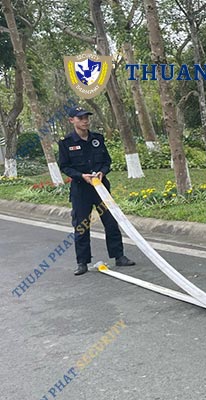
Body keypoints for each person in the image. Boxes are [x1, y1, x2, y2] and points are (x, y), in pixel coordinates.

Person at [57, 106, 135, 276]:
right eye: (80, 118)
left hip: (101, 188)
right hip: (81, 189)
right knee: (81, 225)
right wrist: (80, 175)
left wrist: (103, 172)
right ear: (72, 121)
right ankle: (82, 262)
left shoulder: (97, 139)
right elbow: (64, 166)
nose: (85, 120)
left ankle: (119, 256)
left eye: (86, 117)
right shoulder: (66, 142)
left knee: (111, 222)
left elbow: (107, 161)